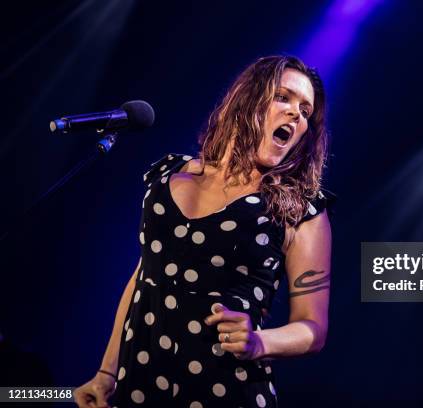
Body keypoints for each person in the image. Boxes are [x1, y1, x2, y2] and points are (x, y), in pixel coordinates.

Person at [74, 55, 333, 408]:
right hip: (140, 380)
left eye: (306, 111)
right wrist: (107, 373)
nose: (296, 114)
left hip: (225, 389)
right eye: (283, 97)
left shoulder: (299, 209)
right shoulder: (168, 175)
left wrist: (260, 342)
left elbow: (313, 328)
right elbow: (144, 276)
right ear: (247, 99)